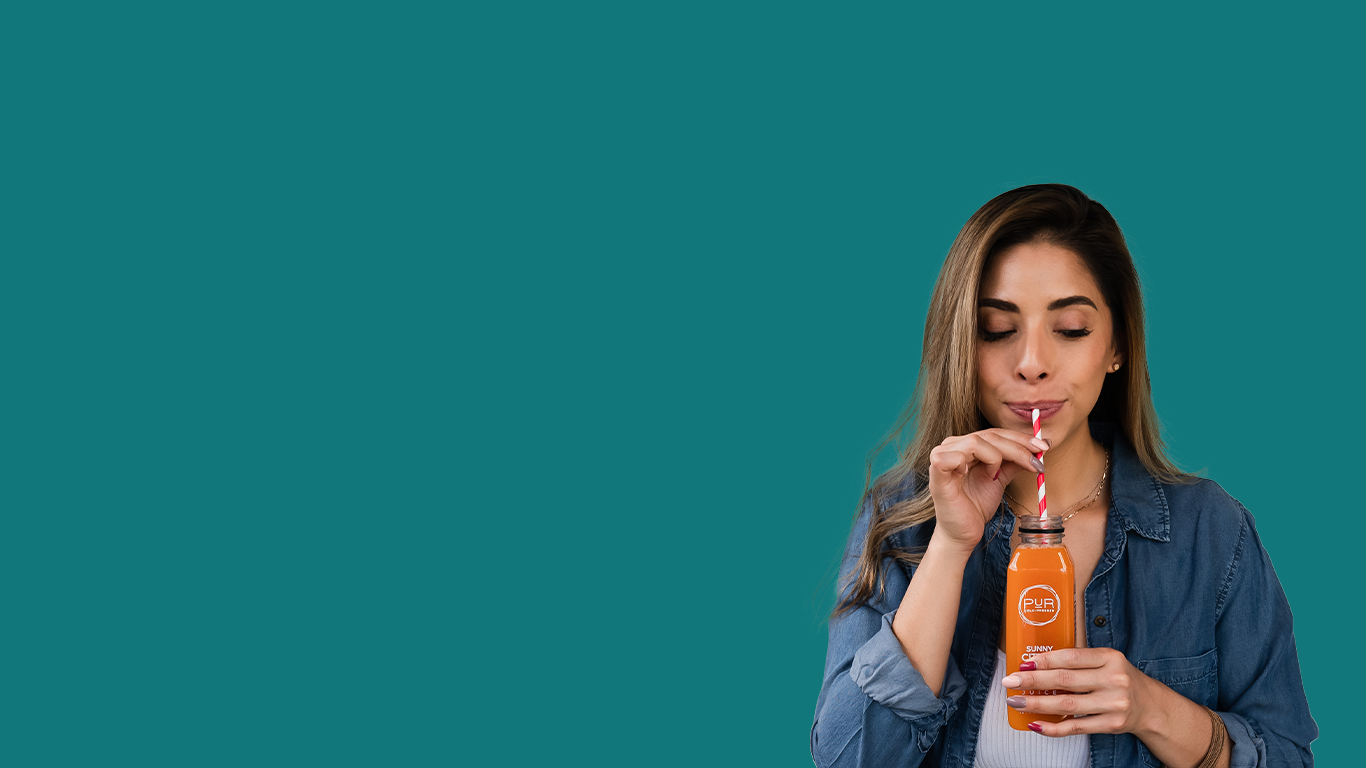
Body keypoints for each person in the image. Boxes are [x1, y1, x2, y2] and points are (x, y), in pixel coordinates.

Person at [809, 184, 1316, 768]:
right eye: (997, 330)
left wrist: (1151, 709)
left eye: (1071, 328)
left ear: (1117, 345)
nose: (1032, 364)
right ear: (963, 347)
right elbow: (845, 760)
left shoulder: (1210, 532)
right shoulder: (903, 520)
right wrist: (950, 547)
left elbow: (1287, 756)